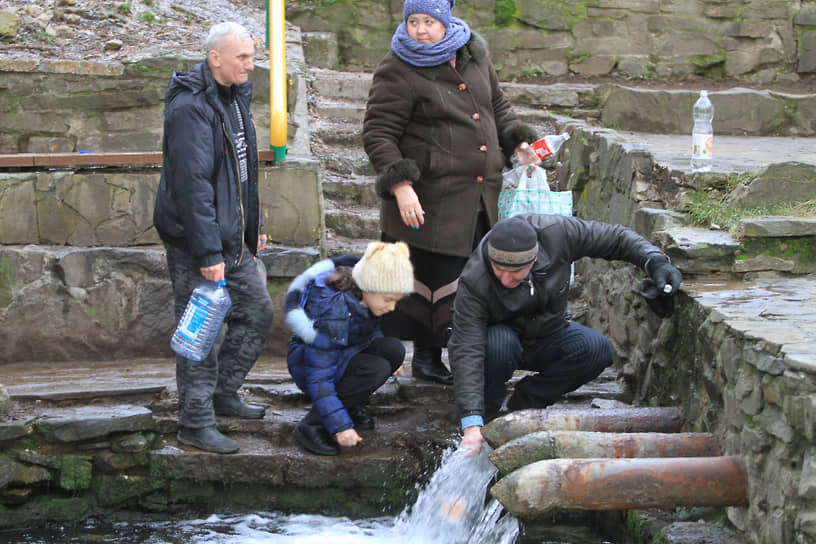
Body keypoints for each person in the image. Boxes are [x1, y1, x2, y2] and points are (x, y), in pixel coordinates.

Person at [363, 0, 538, 386]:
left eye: (429, 21)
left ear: (447, 22)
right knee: (431, 275)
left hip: (477, 195)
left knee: (470, 278)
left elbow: (498, 108)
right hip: (427, 199)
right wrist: (401, 185)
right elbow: (378, 133)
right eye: (413, 21)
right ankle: (426, 356)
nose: (421, 30)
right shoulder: (397, 67)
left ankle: (468, 353)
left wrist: (517, 144)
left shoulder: (473, 54)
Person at [449, 214, 682, 453]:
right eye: (499, 270)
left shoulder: (559, 233)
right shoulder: (475, 279)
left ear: (534, 259)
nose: (506, 279)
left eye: (515, 272)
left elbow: (616, 238)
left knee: (597, 349)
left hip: (549, 333)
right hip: (501, 342)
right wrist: (471, 422)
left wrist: (654, 261)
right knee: (498, 344)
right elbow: (467, 349)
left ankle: (528, 401)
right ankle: (488, 413)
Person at [153, 22, 274, 454]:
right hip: (196, 242)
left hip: (231, 239)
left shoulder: (234, 96)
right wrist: (207, 251)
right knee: (199, 331)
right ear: (214, 58)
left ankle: (223, 394)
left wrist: (251, 226)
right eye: (241, 57)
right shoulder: (189, 108)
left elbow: (242, 175)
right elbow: (193, 186)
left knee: (257, 311)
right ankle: (195, 421)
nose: (250, 64)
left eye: (251, 55)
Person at [284, 242, 415, 456]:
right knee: (376, 369)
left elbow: (366, 333)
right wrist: (340, 427)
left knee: (394, 350)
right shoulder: (333, 312)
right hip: (309, 368)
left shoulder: (364, 299)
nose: (391, 308)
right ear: (370, 288)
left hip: (341, 356)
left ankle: (349, 404)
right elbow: (319, 377)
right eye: (389, 300)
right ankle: (312, 425)